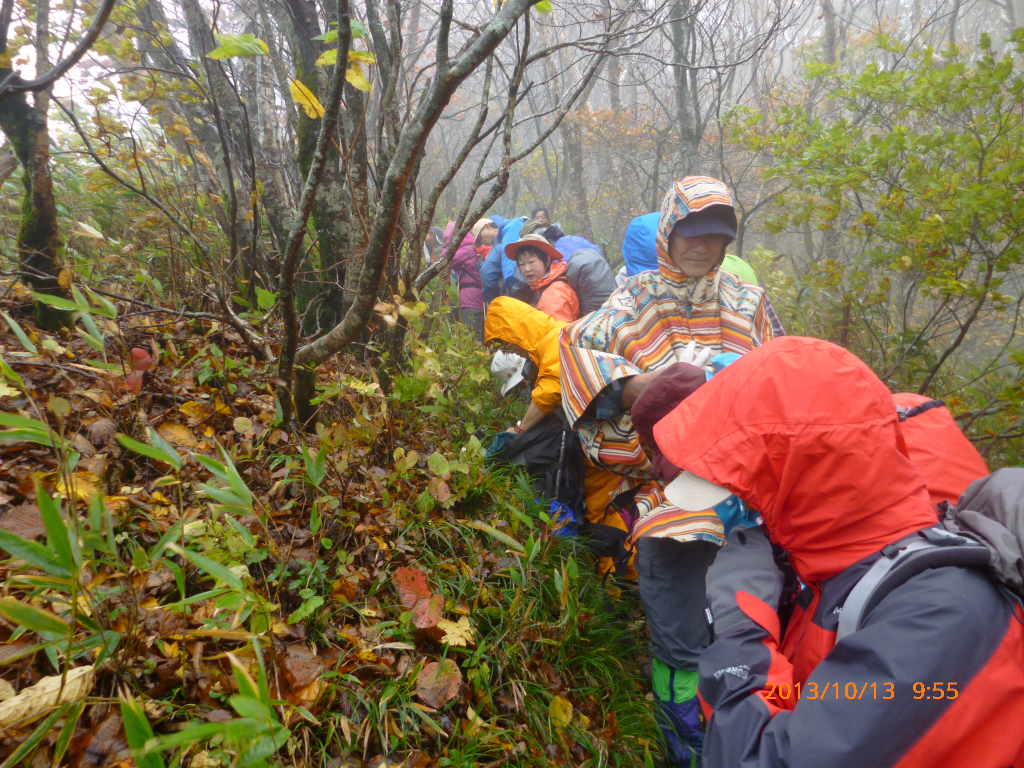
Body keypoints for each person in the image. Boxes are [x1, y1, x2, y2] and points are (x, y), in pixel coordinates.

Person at [652, 335, 1024, 768]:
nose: (733, 509)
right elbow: (799, 707)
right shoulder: (834, 574)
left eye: (740, 489)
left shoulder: (941, 615)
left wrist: (742, 632)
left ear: (797, 481)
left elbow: (764, 759)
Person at [559, 176, 785, 766]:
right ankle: (683, 743)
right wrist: (644, 387)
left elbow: (782, 373)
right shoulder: (634, 300)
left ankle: (744, 729)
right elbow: (577, 354)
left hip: (743, 503)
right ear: (668, 230)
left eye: (715, 236)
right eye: (690, 231)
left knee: (746, 624)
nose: (701, 247)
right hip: (666, 500)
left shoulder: (746, 302)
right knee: (679, 631)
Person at [485, 296, 636, 581]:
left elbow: (552, 388)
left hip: (610, 437)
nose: (511, 349)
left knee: (601, 510)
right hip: (605, 432)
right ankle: (617, 580)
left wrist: (519, 431)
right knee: (598, 507)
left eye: (507, 342)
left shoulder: (554, 337)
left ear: (514, 331)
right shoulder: (553, 337)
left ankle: (626, 582)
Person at [622, 210, 759, 284]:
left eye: (714, 236)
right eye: (688, 236)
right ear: (666, 239)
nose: (701, 248)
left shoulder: (750, 303)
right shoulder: (621, 311)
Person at [506, 234, 579, 323]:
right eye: (522, 264)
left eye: (531, 262)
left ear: (547, 260)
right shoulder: (544, 285)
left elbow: (558, 333)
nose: (527, 269)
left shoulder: (553, 294)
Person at [445, 222, 485, 343]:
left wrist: (448, 245)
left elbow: (445, 258)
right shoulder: (476, 248)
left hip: (470, 298)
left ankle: (476, 360)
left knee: (473, 334)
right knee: (479, 333)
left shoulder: (466, 251)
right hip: (481, 296)